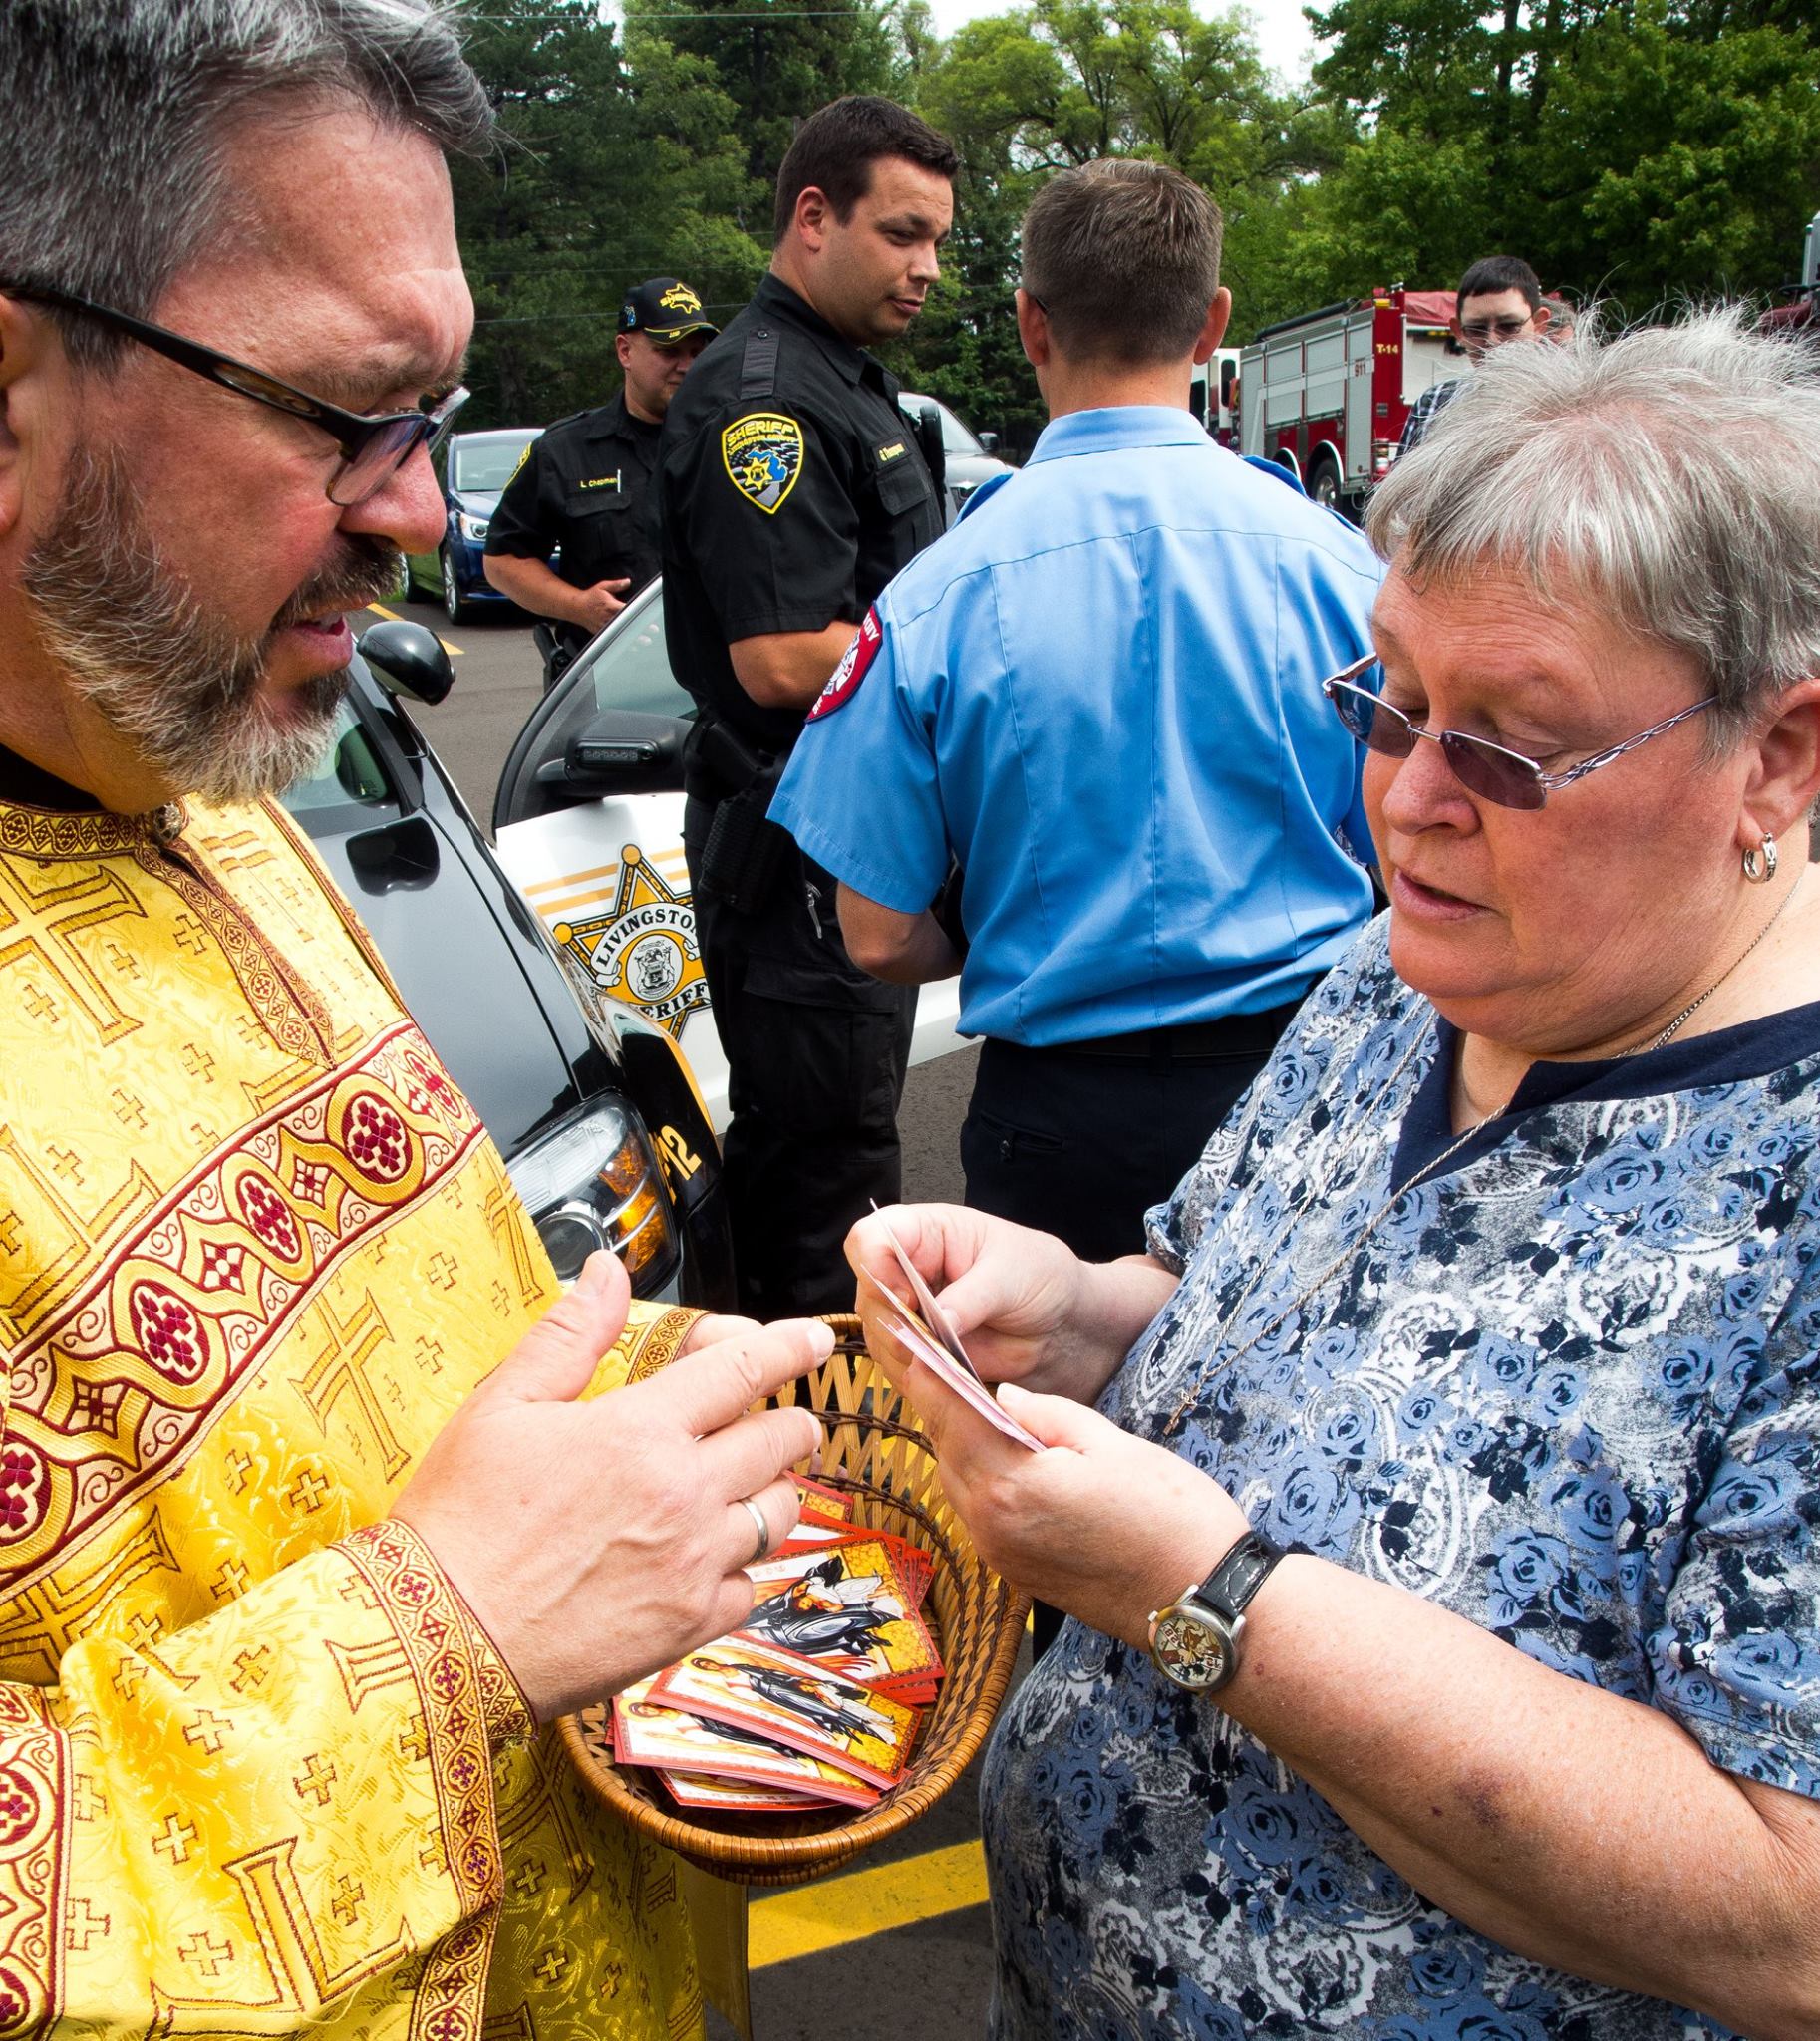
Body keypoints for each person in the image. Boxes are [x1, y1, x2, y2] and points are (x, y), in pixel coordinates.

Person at [849, 308, 1820, 2038]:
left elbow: (1787, 1919)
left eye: (1512, 742)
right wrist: (1066, 1310)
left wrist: (1206, 1592)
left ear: (1779, 752)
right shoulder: (1403, 966)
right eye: (1391, 697)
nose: (1409, 798)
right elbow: (1220, 1295)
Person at [0, 7, 825, 2034]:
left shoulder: (209, 771)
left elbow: (415, 1368)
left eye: (433, 415)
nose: (420, 521)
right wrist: (434, 1639)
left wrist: (726, 1396)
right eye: (346, 416)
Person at [772, 158, 1378, 1271]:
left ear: (1027, 324)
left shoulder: (931, 599)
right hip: (1305, 1095)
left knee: (1044, 1441)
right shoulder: (1347, 573)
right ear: (1212, 325)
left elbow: (876, 932)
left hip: (1055, 1125)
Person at [654, 96, 958, 1319]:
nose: (926, 268)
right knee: (828, 1173)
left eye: (937, 241)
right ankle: (824, 1440)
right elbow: (782, 656)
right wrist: (963, 658)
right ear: (812, 217)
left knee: (840, 1142)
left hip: (844, 842)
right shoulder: (763, 401)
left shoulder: (843, 383)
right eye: (900, 233)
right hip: (796, 858)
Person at [483, 275, 716, 689]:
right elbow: (503, 561)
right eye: (669, 350)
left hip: (716, 686)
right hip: (606, 685)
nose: (686, 366)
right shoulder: (565, 451)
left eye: (697, 352)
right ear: (625, 350)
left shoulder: (729, 440)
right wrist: (579, 607)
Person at [1399, 253, 1552, 452]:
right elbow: (1404, 484)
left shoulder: (1574, 406)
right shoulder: (1435, 405)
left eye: (1509, 326)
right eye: (1477, 328)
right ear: (1458, 331)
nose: (1492, 340)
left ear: (1539, 324)